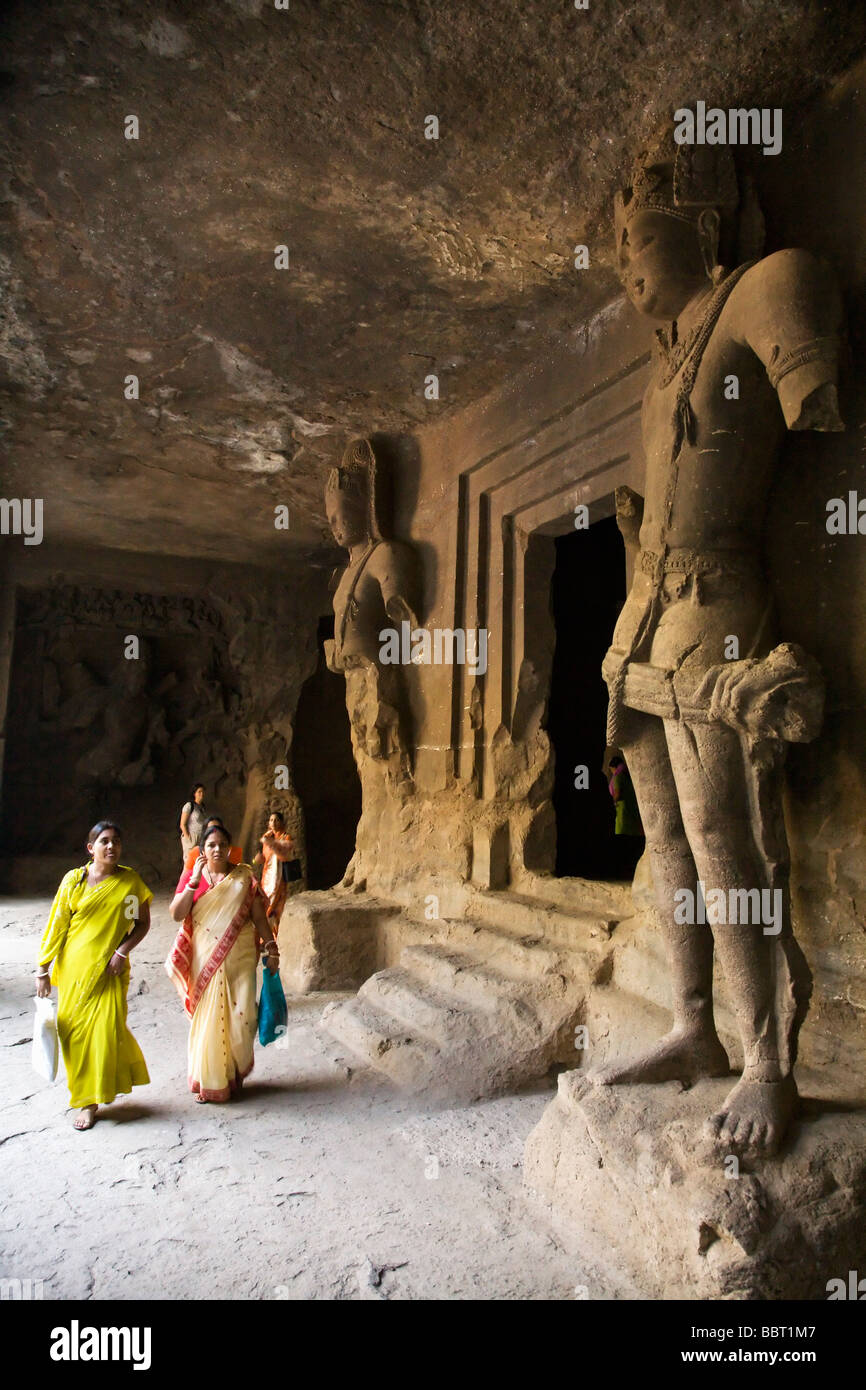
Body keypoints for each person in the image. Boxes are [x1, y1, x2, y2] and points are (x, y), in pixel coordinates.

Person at [595, 126, 843, 1156]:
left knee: (723, 842)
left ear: (697, 225)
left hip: (716, 613)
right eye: (614, 256)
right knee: (661, 841)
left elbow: (808, 365)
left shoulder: (755, 292)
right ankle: (690, 1021)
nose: (624, 271)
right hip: (643, 622)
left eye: (635, 244)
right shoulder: (660, 374)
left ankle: (764, 1060)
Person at [34, 821, 152, 1131]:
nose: (111, 846)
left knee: (103, 1033)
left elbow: (139, 924)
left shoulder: (129, 884)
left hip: (109, 972)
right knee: (72, 1034)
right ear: (91, 848)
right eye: (104, 841)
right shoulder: (74, 881)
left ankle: (90, 1102)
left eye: (116, 841)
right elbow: (57, 925)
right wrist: (43, 968)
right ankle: (85, 1093)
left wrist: (121, 952)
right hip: (74, 970)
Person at [165, 823, 279, 1103]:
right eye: (211, 845)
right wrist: (192, 881)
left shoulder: (243, 877)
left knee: (243, 1019)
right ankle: (211, 1080)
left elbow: (259, 916)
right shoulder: (194, 877)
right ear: (202, 850)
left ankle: (233, 1072)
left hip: (240, 956)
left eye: (222, 844)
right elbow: (177, 914)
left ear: (230, 848)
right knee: (209, 1019)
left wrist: (271, 947)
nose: (217, 849)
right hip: (206, 958)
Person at [253, 811, 295, 932]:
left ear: (281, 822)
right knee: (264, 905)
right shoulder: (267, 838)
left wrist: (271, 843)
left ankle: (277, 939)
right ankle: (266, 938)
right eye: (271, 820)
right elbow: (263, 858)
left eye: (276, 820)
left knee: (276, 910)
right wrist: (256, 860)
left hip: (279, 879)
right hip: (267, 878)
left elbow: (284, 855)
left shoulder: (286, 838)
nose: (273, 822)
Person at [179, 784, 207, 861]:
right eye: (199, 792)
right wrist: (189, 839)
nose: (202, 794)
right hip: (192, 836)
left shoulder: (202, 807)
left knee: (200, 861)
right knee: (189, 861)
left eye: (203, 791)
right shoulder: (189, 806)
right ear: (194, 793)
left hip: (201, 838)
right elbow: (182, 824)